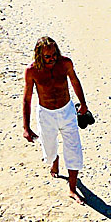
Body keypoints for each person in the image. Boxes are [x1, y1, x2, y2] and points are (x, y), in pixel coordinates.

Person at [22, 36, 90, 204]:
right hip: (46, 115)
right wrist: (26, 127)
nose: (52, 59)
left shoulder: (65, 63)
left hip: (67, 111)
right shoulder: (32, 71)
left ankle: (72, 189)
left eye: (53, 55)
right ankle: (54, 160)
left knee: (74, 150)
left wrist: (83, 104)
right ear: (39, 55)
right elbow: (27, 98)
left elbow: (74, 81)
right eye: (47, 56)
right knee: (49, 150)